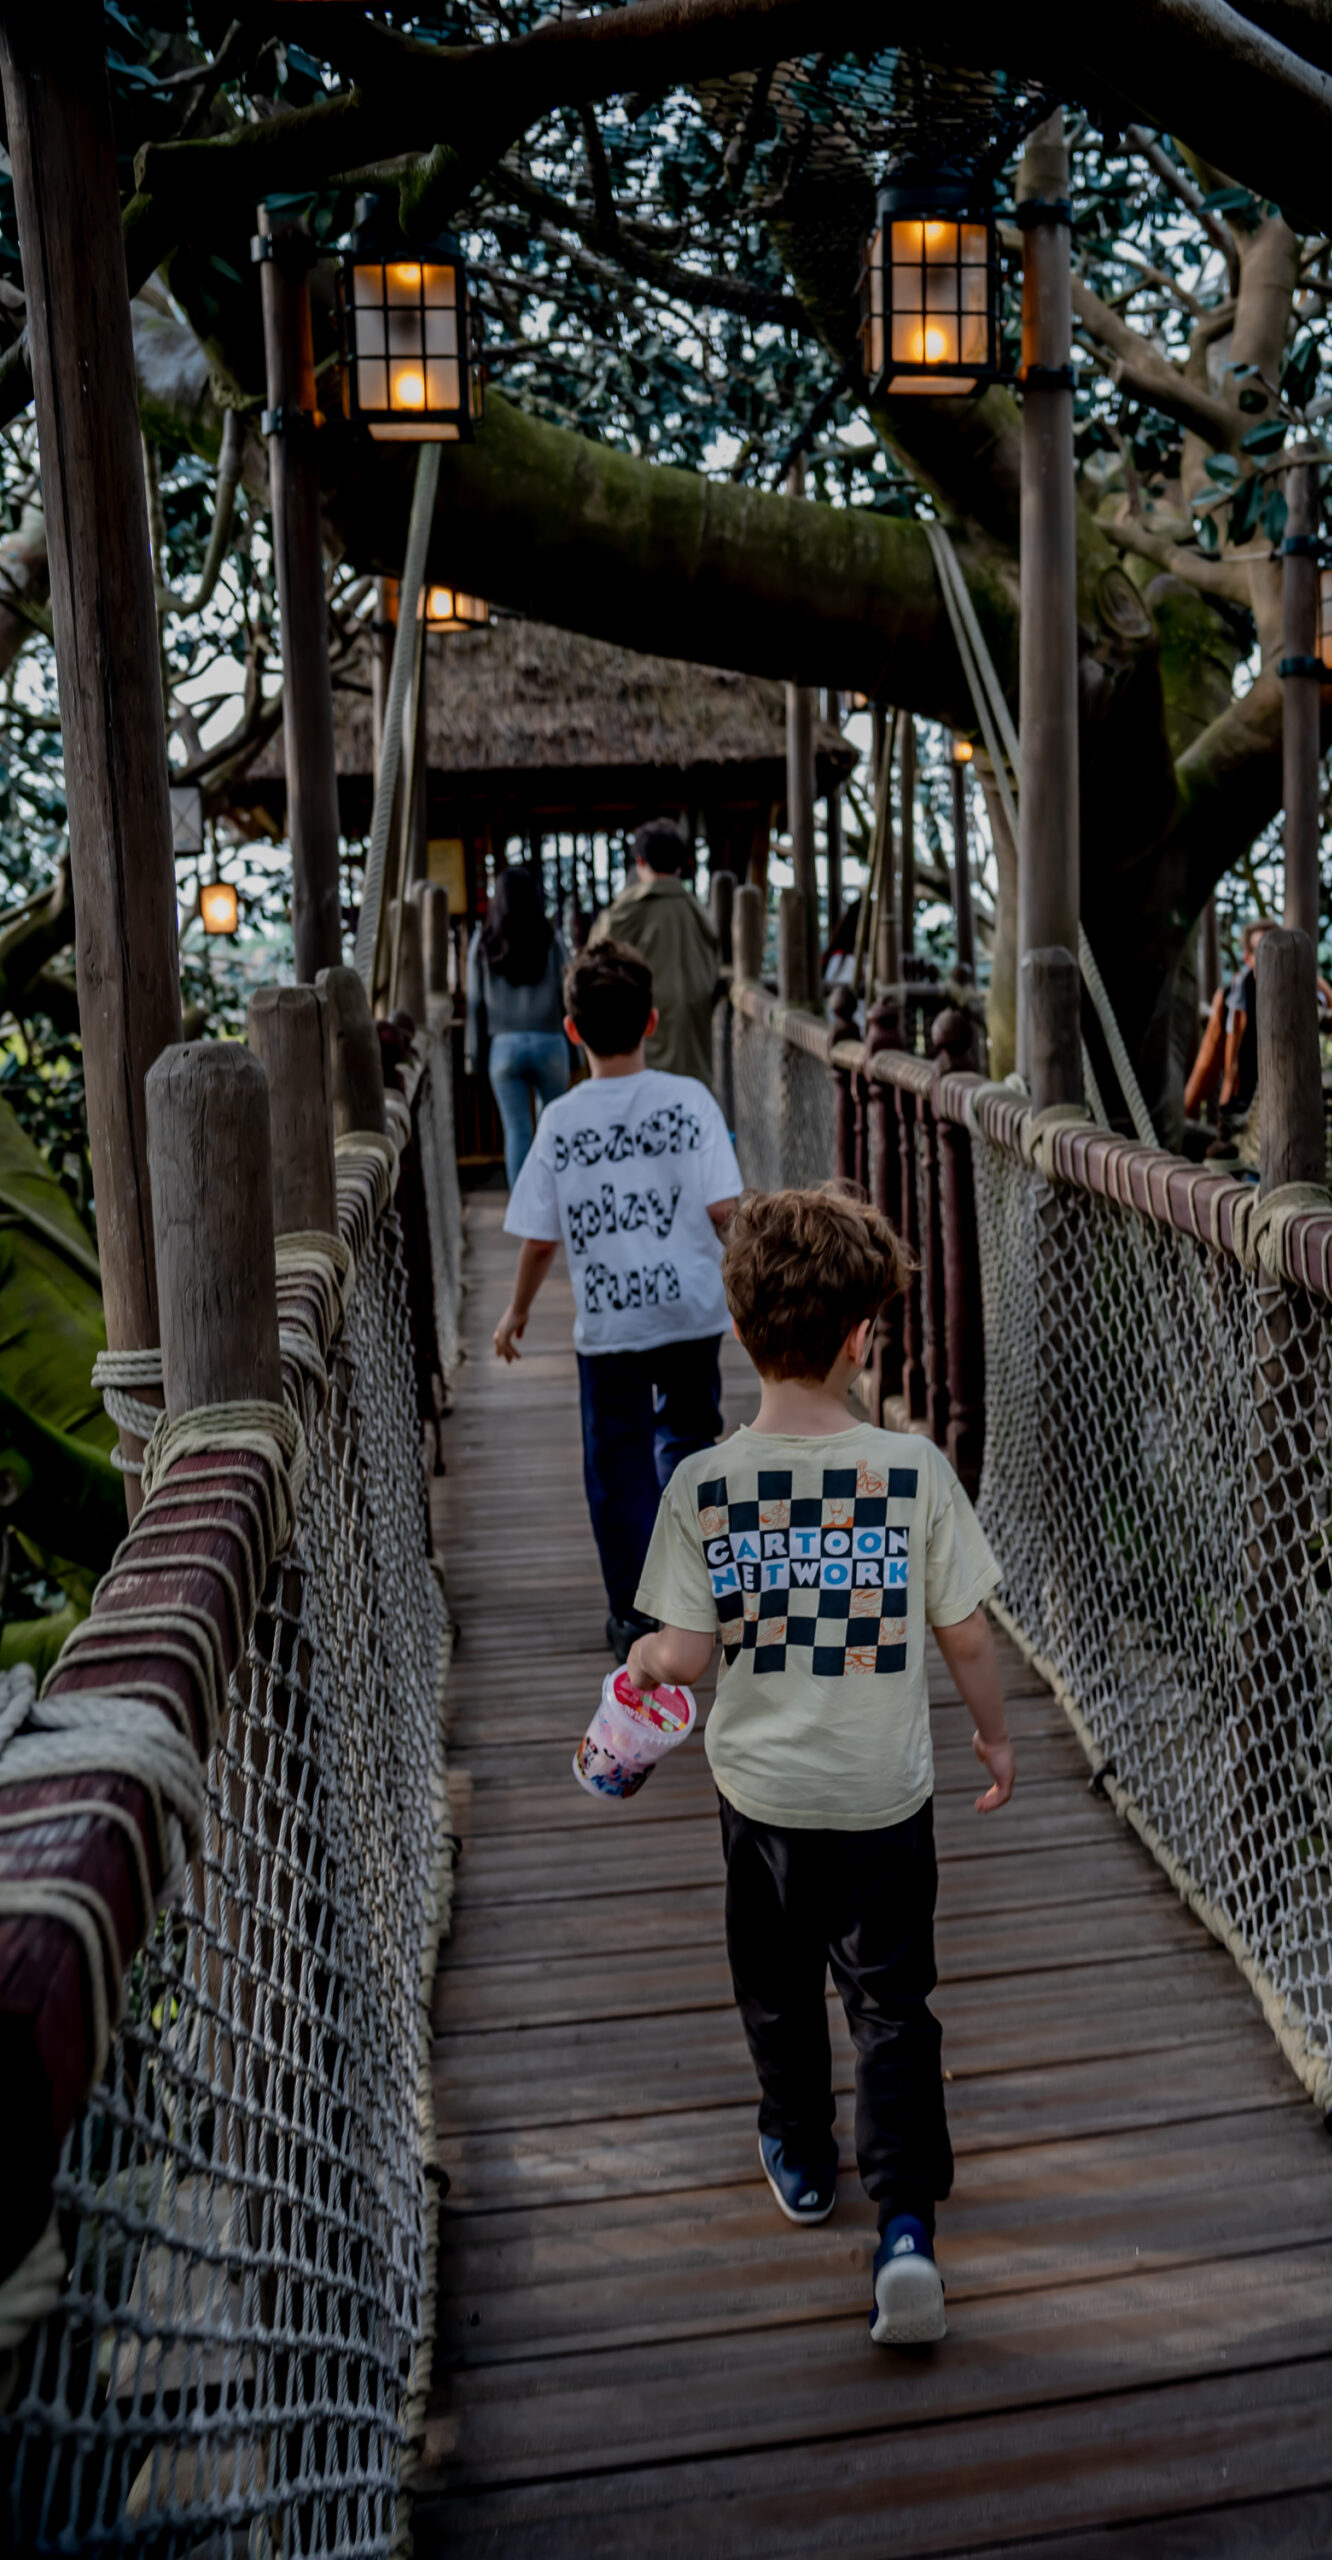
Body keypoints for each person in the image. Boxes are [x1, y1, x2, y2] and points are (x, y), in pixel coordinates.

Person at [623, 1186, 1014, 2349]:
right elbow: (967, 1633)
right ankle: (907, 2228)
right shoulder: (912, 1468)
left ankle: (798, 2148)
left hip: (763, 1804)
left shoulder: (702, 1485)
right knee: (892, 2006)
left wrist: (643, 1658)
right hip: (885, 1799)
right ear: (860, 1337)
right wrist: (994, 1734)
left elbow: (686, 1655)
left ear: (741, 1332)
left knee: (777, 1985)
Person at [494, 942, 742, 1661]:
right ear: (652, 1021)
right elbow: (725, 1211)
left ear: (571, 1031)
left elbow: (540, 1241)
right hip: (692, 1310)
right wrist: (748, 1294)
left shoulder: (561, 1121)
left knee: (617, 1468)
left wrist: (517, 1313)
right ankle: (700, 1592)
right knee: (689, 1445)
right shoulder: (690, 1100)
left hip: (610, 1326)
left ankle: (636, 1616)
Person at [1183, 916, 1332, 1156]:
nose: (1273, 960)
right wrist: (1188, 1109)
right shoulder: (1232, 998)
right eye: (1263, 952)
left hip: (1290, 1106)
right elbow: (1207, 1062)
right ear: (1248, 959)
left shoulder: (1306, 986)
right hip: (1241, 1109)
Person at [588, 818, 723, 1086]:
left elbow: (592, 960)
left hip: (642, 1052)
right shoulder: (699, 913)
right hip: (695, 1054)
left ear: (640, 861)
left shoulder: (628, 911)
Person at [467, 867, 571, 1188]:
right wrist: (576, 1050)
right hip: (551, 1040)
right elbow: (567, 993)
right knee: (554, 1128)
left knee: (516, 1130)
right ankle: (557, 1197)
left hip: (504, 1046)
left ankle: (522, 1206)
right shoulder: (550, 938)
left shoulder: (484, 942)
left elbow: (475, 1003)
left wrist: (474, 1056)